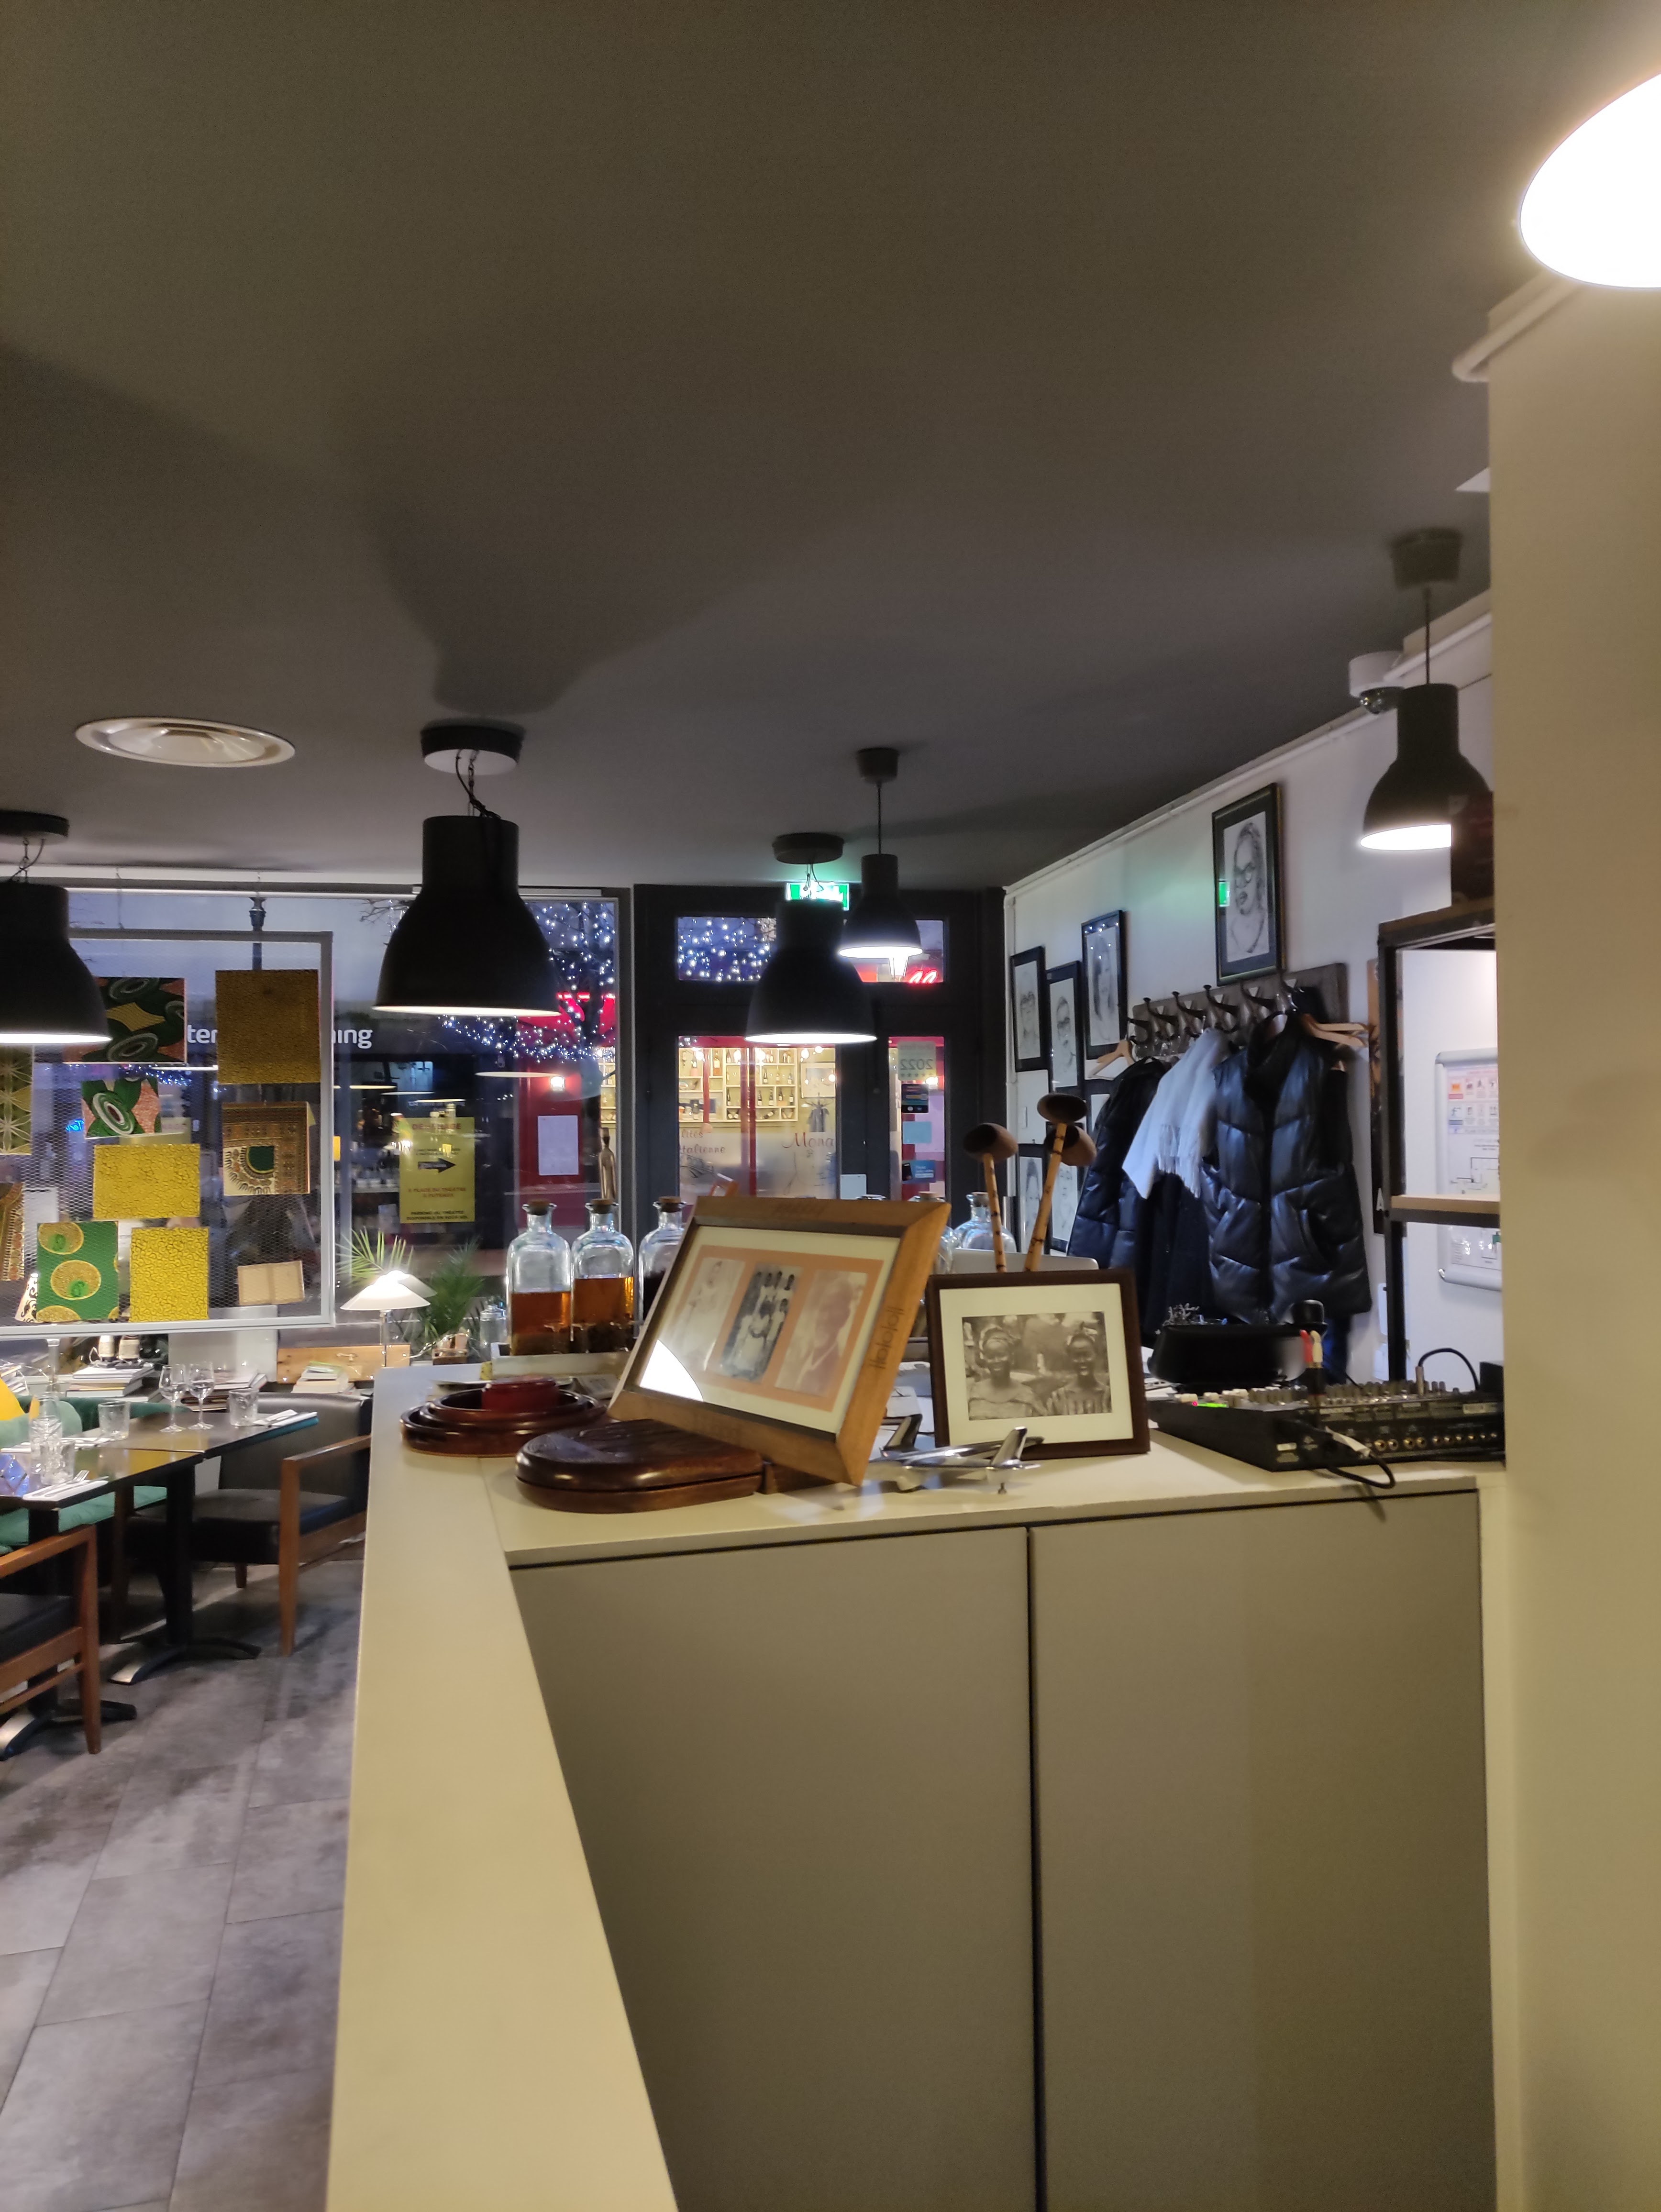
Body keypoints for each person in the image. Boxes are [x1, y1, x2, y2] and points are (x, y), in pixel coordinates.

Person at [964, 1323, 1041, 1421]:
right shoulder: (971, 1393)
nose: (996, 1361)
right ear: (985, 1360)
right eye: (991, 1356)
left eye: (1001, 1355)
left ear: (1012, 1358)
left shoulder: (1028, 1397)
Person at [1226, 817, 1269, 963]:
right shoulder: (1229, 935)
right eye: (1238, 873)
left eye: (1248, 871)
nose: (1241, 883)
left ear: (1260, 874)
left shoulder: (1268, 929)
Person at [1042, 1326, 1112, 1415]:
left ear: (1096, 1356)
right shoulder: (1058, 1399)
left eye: (1087, 1355)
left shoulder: (1109, 1397)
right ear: (1069, 1359)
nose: (1082, 1361)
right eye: (1076, 1356)